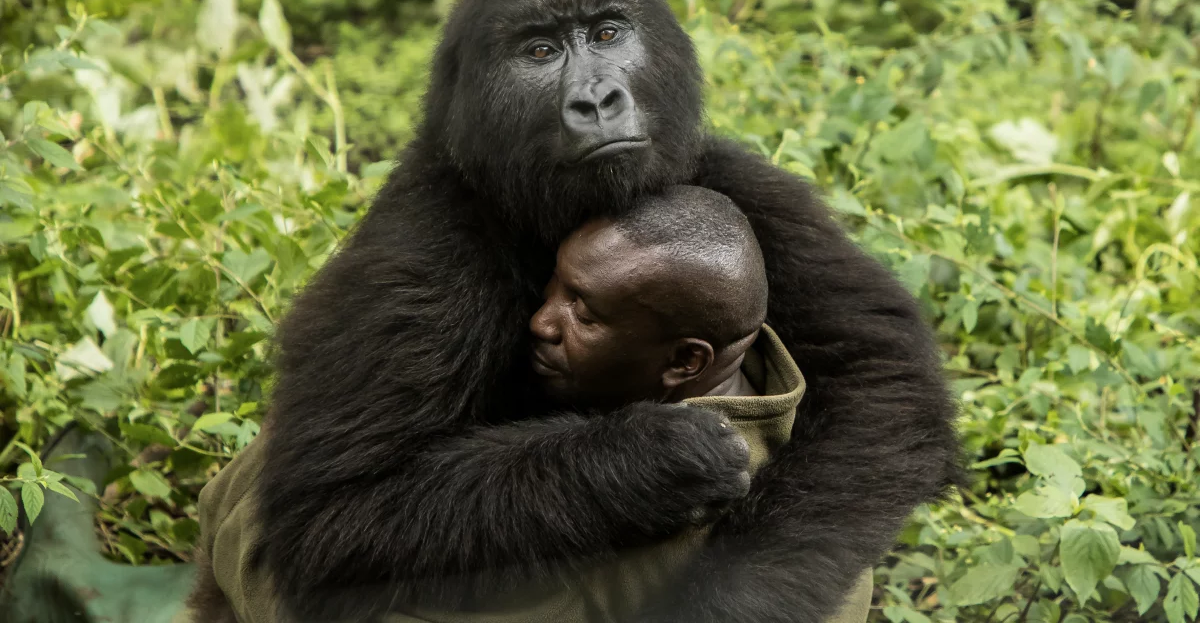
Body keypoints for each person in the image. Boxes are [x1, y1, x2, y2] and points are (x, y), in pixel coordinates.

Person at [187, 186, 873, 623]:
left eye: (586, 312)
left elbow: (298, 587)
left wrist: (280, 459)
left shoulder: (658, 515)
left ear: (685, 360)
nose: (541, 322)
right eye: (555, 287)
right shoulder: (781, 398)